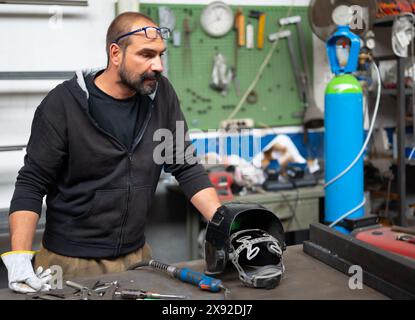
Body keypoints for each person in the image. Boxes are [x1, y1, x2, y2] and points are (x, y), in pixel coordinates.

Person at [1, 12, 221, 293]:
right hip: (69, 262)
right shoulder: (64, 104)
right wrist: (19, 256)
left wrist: (224, 222)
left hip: (136, 256)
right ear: (115, 53)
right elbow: (32, 182)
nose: (159, 66)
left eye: (161, 55)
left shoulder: (161, 95)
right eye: (146, 54)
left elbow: (186, 166)